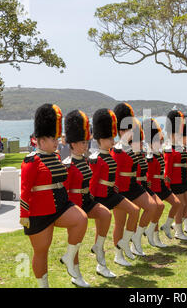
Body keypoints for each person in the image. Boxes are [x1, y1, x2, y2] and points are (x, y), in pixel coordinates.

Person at [19, 104, 88, 288]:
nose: (56, 142)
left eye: (56, 138)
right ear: (40, 140)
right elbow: (25, 191)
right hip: (39, 212)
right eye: (52, 138)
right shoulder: (30, 162)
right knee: (41, 252)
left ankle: (68, 257)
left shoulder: (56, 157)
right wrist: (24, 216)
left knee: (81, 219)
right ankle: (44, 285)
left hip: (61, 206)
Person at [63, 110, 116, 281]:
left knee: (106, 214)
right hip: (74, 204)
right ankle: (75, 274)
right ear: (71, 144)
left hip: (88, 200)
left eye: (85, 142)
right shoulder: (67, 164)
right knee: (76, 240)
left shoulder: (87, 160)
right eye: (80, 143)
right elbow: (65, 190)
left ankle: (99, 248)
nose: (85, 145)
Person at [89, 108, 140, 268]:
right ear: (100, 139)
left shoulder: (110, 153)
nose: (113, 140)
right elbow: (93, 182)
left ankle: (123, 242)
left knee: (134, 210)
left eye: (113, 137)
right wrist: (91, 201)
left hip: (112, 193)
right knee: (100, 232)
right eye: (109, 138)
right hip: (99, 197)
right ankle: (101, 265)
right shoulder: (95, 158)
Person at [111, 103, 158, 257]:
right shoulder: (116, 149)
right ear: (121, 131)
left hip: (133, 185)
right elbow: (113, 172)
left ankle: (135, 238)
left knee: (152, 207)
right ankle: (119, 255)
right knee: (120, 223)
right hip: (120, 188)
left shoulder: (132, 148)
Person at [144, 118, 181, 243]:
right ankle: (155, 237)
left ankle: (167, 226)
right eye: (158, 141)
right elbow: (148, 174)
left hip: (162, 184)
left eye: (160, 140)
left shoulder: (159, 154)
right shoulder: (149, 155)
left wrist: (165, 179)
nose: (160, 142)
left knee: (177, 203)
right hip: (153, 186)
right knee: (157, 210)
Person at [132, 119, 166, 248]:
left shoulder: (143, 152)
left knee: (159, 206)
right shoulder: (135, 154)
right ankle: (136, 242)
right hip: (135, 186)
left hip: (145, 185)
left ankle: (148, 233)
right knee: (135, 216)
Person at [163, 110, 187, 240]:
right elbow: (167, 167)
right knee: (180, 205)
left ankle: (175, 224)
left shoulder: (180, 146)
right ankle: (178, 231)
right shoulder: (169, 147)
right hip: (175, 179)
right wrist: (167, 183)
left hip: (183, 178)